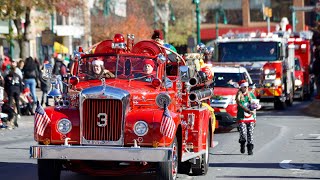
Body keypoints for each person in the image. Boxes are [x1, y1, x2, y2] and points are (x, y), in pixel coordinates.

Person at [236, 80, 257, 155]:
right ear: (241, 87)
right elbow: (241, 106)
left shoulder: (250, 94)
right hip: (242, 117)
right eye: (244, 87)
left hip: (250, 118)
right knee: (243, 133)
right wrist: (248, 110)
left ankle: (250, 148)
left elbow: (255, 104)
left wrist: (255, 117)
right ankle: (242, 143)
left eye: (247, 87)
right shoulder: (238, 95)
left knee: (250, 134)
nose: (246, 88)